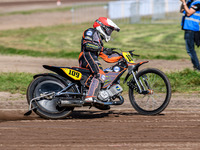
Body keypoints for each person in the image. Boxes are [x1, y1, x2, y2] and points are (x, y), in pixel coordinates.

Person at [78, 17, 122, 103]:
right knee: (99, 74)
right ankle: (90, 97)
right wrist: (102, 49)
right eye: (109, 30)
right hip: (86, 56)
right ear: (101, 27)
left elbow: (107, 58)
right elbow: (87, 45)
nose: (109, 33)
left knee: (104, 76)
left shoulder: (99, 40)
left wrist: (121, 55)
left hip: (91, 57)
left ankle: (100, 98)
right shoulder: (91, 31)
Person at [180, 0, 200, 71]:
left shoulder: (197, 2)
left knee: (190, 50)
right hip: (188, 29)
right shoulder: (190, 2)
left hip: (192, 29)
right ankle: (197, 66)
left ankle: (197, 67)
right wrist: (183, 2)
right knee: (190, 50)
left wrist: (184, 3)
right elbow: (182, 10)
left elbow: (189, 13)